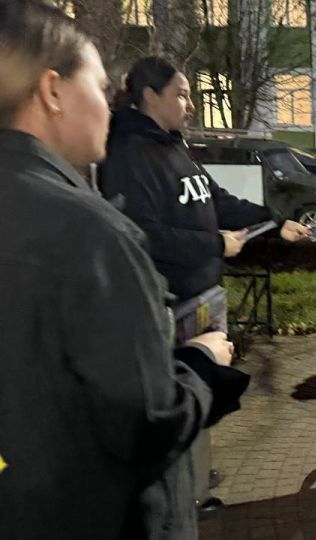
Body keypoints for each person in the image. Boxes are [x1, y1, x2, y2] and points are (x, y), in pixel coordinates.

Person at [0, 2, 249, 539]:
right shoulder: (90, 232)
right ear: (52, 90)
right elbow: (146, 424)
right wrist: (203, 364)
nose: (111, 106)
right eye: (99, 86)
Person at [98, 56, 309, 514]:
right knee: (178, 399)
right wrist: (214, 243)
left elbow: (218, 201)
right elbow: (143, 234)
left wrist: (275, 223)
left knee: (204, 394)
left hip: (203, 297)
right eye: (181, 94)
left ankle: (196, 482)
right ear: (149, 96)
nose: (190, 104)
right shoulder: (127, 154)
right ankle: (181, 499)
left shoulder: (175, 146)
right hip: (167, 305)